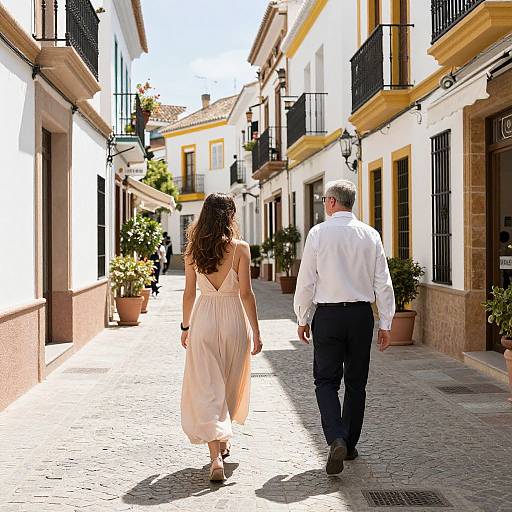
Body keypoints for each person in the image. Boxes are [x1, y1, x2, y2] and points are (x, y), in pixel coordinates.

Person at [294, 179, 395, 476]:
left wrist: (302, 317)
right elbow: (383, 282)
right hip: (361, 316)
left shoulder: (318, 234)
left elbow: (306, 282)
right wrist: (385, 322)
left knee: (325, 381)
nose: (324, 202)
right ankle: (348, 446)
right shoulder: (370, 234)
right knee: (356, 383)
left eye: (325, 198)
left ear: (332, 202)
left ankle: (336, 437)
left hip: (328, 316)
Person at [180, 193, 263, 482]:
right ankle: (223, 441)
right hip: (233, 320)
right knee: (228, 383)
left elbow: (189, 293)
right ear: (230, 216)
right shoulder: (240, 249)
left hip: (203, 319)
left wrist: (185, 327)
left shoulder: (192, 251)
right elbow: (246, 294)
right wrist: (257, 331)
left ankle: (216, 457)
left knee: (207, 388)